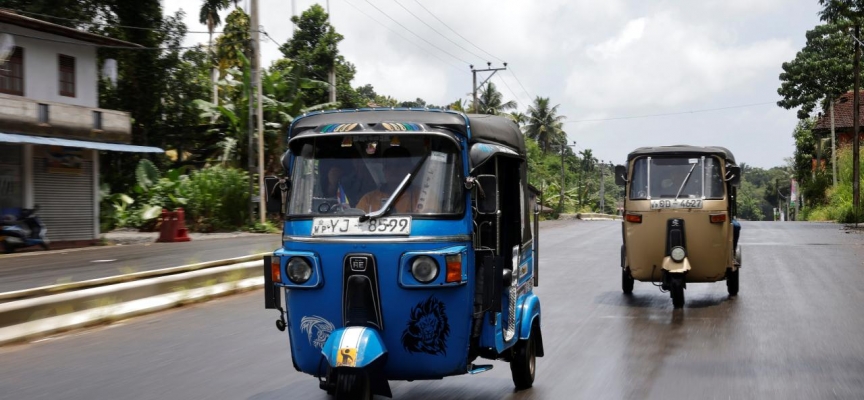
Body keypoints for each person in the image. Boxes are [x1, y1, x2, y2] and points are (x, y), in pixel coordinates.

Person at [356, 147, 416, 213]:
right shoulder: (368, 200)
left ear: (409, 168)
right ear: (384, 170)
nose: (394, 170)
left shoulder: (421, 196)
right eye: (389, 165)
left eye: (400, 165)